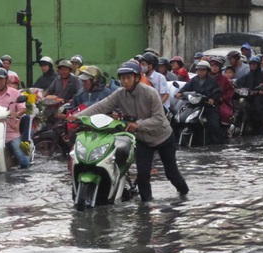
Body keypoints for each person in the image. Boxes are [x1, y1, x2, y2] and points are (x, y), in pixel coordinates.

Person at [69, 61, 189, 202]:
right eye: (122, 78)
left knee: (171, 173)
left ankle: (184, 195)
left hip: (163, 137)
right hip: (143, 140)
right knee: (143, 175)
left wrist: (137, 124)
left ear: (137, 78)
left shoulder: (150, 93)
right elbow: (101, 106)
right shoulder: (119, 94)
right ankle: (146, 207)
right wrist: (77, 117)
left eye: (128, 78)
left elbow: (159, 119)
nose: (125, 81)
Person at [176, 60, 223, 144]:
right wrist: (180, 93)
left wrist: (212, 99)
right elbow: (186, 88)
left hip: (207, 107)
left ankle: (216, 143)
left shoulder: (212, 81)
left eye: (203, 70)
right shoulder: (193, 80)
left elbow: (217, 92)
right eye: (199, 70)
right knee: (178, 117)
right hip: (194, 105)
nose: (201, 72)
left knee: (213, 123)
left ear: (208, 71)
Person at [236, 55, 263, 136]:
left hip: (260, 101)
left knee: (259, 110)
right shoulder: (246, 76)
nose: (253, 65)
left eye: (255, 64)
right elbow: (238, 84)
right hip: (247, 99)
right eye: (252, 64)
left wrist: (262, 91)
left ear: (258, 64)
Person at [209, 56, 235, 135]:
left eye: (216, 66)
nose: (214, 68)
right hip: (205, 100)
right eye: (212, 66)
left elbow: (230, 91)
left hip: (219, 102)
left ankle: (225, 130)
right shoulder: (205, 77)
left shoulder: (224, 79)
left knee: (225, 114)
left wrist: (222, 98)